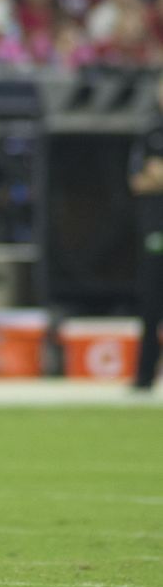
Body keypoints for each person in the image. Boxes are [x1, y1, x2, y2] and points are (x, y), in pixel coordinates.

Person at [129, 71, 163, 391]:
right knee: (151, 305)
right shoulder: (150, 130)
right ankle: (143, 377)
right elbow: (138, 181)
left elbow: (154, 175)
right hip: (155, 228)